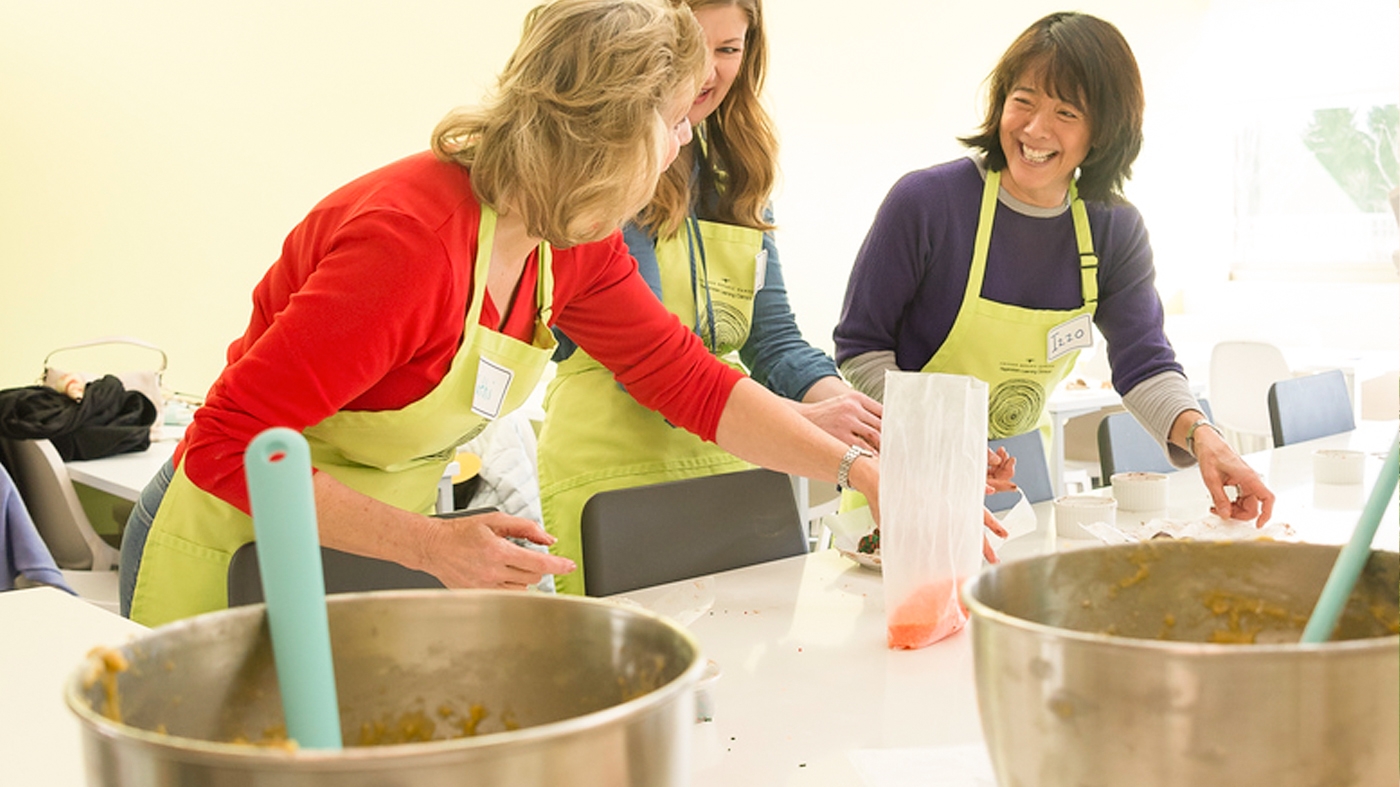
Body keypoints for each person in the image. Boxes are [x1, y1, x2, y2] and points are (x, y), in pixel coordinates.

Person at [119, 0, 880, 626]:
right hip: (233, 546)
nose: (684, 140)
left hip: (365, 553)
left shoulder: (570, 238)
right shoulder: (409, 247)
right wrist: (429, 546)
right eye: (675, 120)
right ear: (615, 132)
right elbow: (229, 445)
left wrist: (862, 472)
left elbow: (687, 379)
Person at [833, 11, 1273, 525]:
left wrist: (1205, 438)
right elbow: (861, 347)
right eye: (1023, 100)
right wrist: (944, 440)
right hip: (903, 483)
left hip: (1019, 489)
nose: (1035, 129)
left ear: (1103, 131)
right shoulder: (928, 203)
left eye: (1066, 112)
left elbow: (1144, 363)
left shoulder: (1113, 229)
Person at [535, 0, 887, 595]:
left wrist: (865, 422)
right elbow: (655, 364)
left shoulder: (736, 172)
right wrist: (815, 430)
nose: (707, 72)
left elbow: (773, 342)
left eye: (728, 50)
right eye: (691, 46)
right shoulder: (607, 171)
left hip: (733, 466)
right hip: (613, 478)